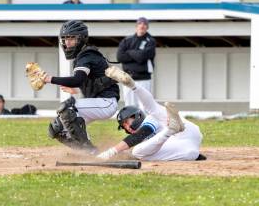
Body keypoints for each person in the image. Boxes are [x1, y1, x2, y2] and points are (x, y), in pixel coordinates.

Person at [96, 66, 205, 161]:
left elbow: (139, 136)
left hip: (186, 133)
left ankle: (132, 85)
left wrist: (111, 152)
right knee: (139, 151)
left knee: (154, 112)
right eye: (124, 127)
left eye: (126, 122)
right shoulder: (144, 140)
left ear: (136, 115)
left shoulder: (150, 120)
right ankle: (172, 128)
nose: (127, 128)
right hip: (185, 147)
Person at [43, 20, 120, 154]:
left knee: (67, 109)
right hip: (99, 102)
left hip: (106, 102)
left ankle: (90, 151)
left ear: (81, 38)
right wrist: (78, 90)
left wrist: (50, 79)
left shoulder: (86, 56)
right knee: (57, 128)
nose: (67, 42)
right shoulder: (84, 55)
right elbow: (90, 83)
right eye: (65, 38)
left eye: (71, 38)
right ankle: (84, 153)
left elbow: (78, 79)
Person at [117, 17, 156, 112]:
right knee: (130, 106)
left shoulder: (150, 41)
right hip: (128, 78)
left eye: (144, 24)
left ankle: (144, 126)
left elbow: (142, 57)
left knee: (145, 106)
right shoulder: (127, 40)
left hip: (144, 79)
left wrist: (129, 52)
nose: (142, 26)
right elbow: (120, 57)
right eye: (140, 24)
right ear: (136, 26)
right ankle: (131, 126)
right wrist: (136, 54)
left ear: (147, 27)